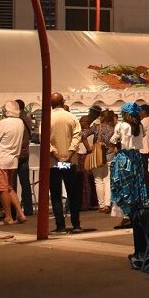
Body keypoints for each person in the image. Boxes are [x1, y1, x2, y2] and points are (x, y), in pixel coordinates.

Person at [110, 103, 149, 240]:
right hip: (137, 158)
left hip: (124, 158)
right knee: (136, 185)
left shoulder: (121, 126)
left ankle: (127, 215)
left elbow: (113, 140)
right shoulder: (139, 126)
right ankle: (135, 214)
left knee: (121, 186)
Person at [48, 93, 84, 234]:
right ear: (62, 102)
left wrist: (56, 155)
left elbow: (44, 139)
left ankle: (60, 226)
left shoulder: (47, 118)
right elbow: (77, 136)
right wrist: (69, 154)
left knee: (56, 194)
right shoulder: (72, 117)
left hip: (54, 163)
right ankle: (76, 225)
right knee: (72, 193)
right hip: (69, 161)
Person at [0, 101, 28, 227]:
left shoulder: (4, 123)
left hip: (1, 159)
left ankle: (8, 216)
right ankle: (20, 214)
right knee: (10, 187)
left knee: (2, 188)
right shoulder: (20, 122)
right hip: (13, 158)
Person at [13, 99, 34, 216]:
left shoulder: (17, 120)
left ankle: (14, 210)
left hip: (16, 154)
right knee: (25, 183)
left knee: (12, 184)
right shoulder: (27, 119)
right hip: (25, 154)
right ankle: (28, 209)